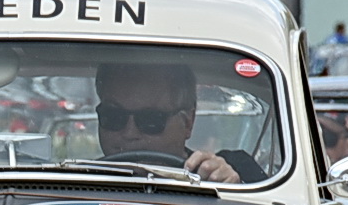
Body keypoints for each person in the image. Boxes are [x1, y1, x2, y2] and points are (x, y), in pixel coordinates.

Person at [92, 62, 258, 183]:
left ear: (187, 122)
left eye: (150, 120)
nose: (130, 133)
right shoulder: (71, 181)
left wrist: (230, 188)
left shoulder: (235, 168)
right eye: (113, 116)